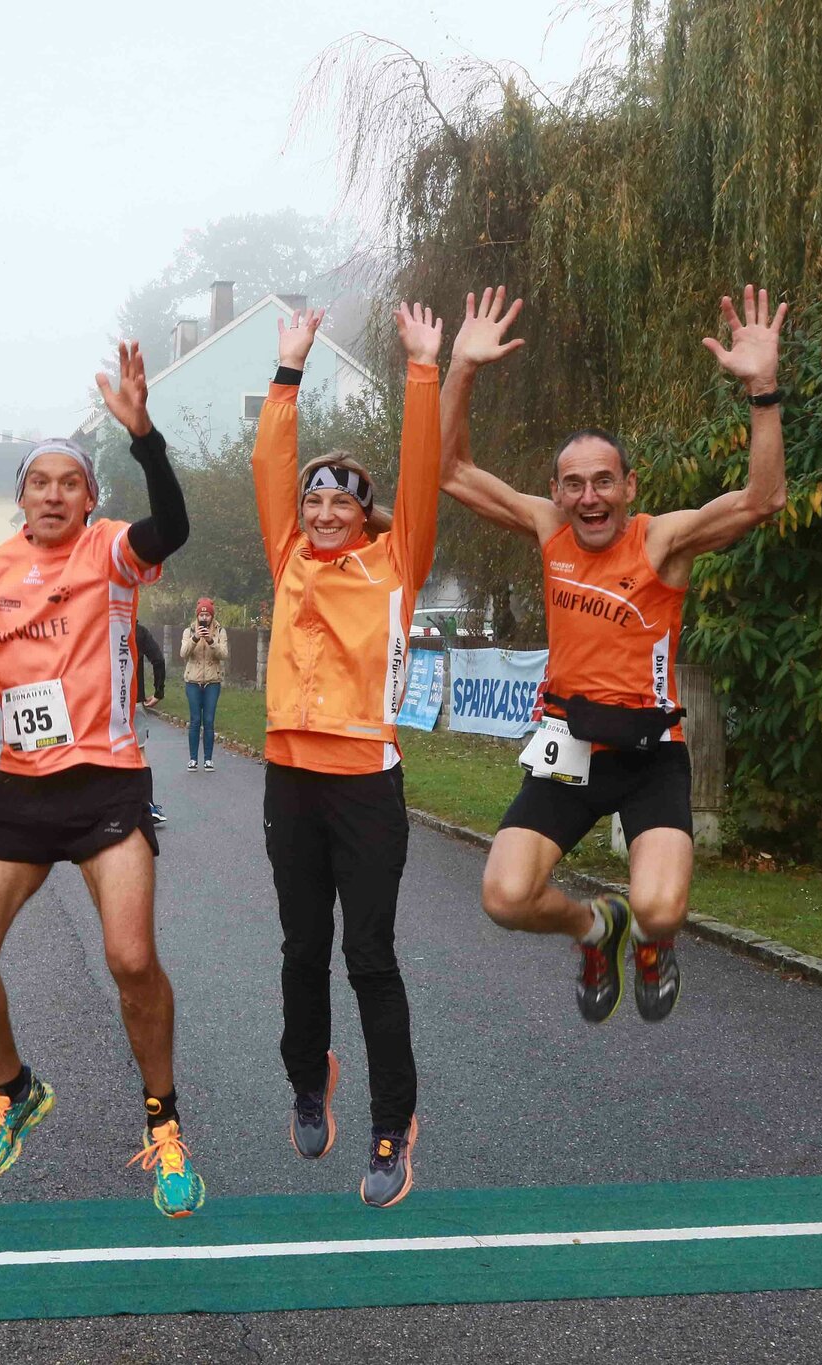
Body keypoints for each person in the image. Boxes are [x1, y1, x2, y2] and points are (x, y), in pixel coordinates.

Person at [441, 284, 788, 1024]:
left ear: (629, 486)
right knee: (505, 896)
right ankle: (598, 928)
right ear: (557, 492)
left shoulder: (661, 540)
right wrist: (461, 369)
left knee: (662, 908)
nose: (589, 497)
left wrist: (764, 389)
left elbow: (762, 499)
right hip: (568, 745)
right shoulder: (549, 529)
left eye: (604, 481)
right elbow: (453, 473)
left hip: (649, 750)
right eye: (574, 484)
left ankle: (651, 940)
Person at [0, 341, 202, 1217]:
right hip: (23, 789)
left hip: (108, 785)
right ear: (20, 495)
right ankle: (15, 1090)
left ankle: (163, 1124)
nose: (53, 494)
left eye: (69, 483)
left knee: (130, 958)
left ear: (89, 496)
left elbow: (175, 528)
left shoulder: (114, 551)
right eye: (38, 482)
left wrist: (145, 436)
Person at [253, 302, 453, 1208]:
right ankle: (308, 1076)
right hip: (291, 777)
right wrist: (287, 372)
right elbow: (268, 466)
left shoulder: (395, 559)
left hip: (366, 782)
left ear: (367, 516)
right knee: (303, 946)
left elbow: (421, 477)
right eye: (315, 499)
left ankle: (392, 1123)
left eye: (343, 501)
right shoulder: (288, 553)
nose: (325, 511)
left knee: (368, 956)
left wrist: (422, 369)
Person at [177, 599, 228, 772]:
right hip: (193, 681)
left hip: (213, 682)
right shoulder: (189, 631)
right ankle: (193, 759)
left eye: (207, 614)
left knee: (208, 721)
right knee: (195, 720)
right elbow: (183, 653)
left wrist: (211, 641)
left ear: (212, 616)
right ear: (197, 615)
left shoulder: (220, 631)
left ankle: (208, 759)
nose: (204, 618)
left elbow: (224, 654)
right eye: (201, 614)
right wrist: (195, 638)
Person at [132, 622, 167, 825]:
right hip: (134, 700)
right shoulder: (139, 631)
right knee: (140, 752)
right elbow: (159, 660)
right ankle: (148, 805)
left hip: (107, 703)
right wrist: (158, 691)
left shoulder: (103, 626)